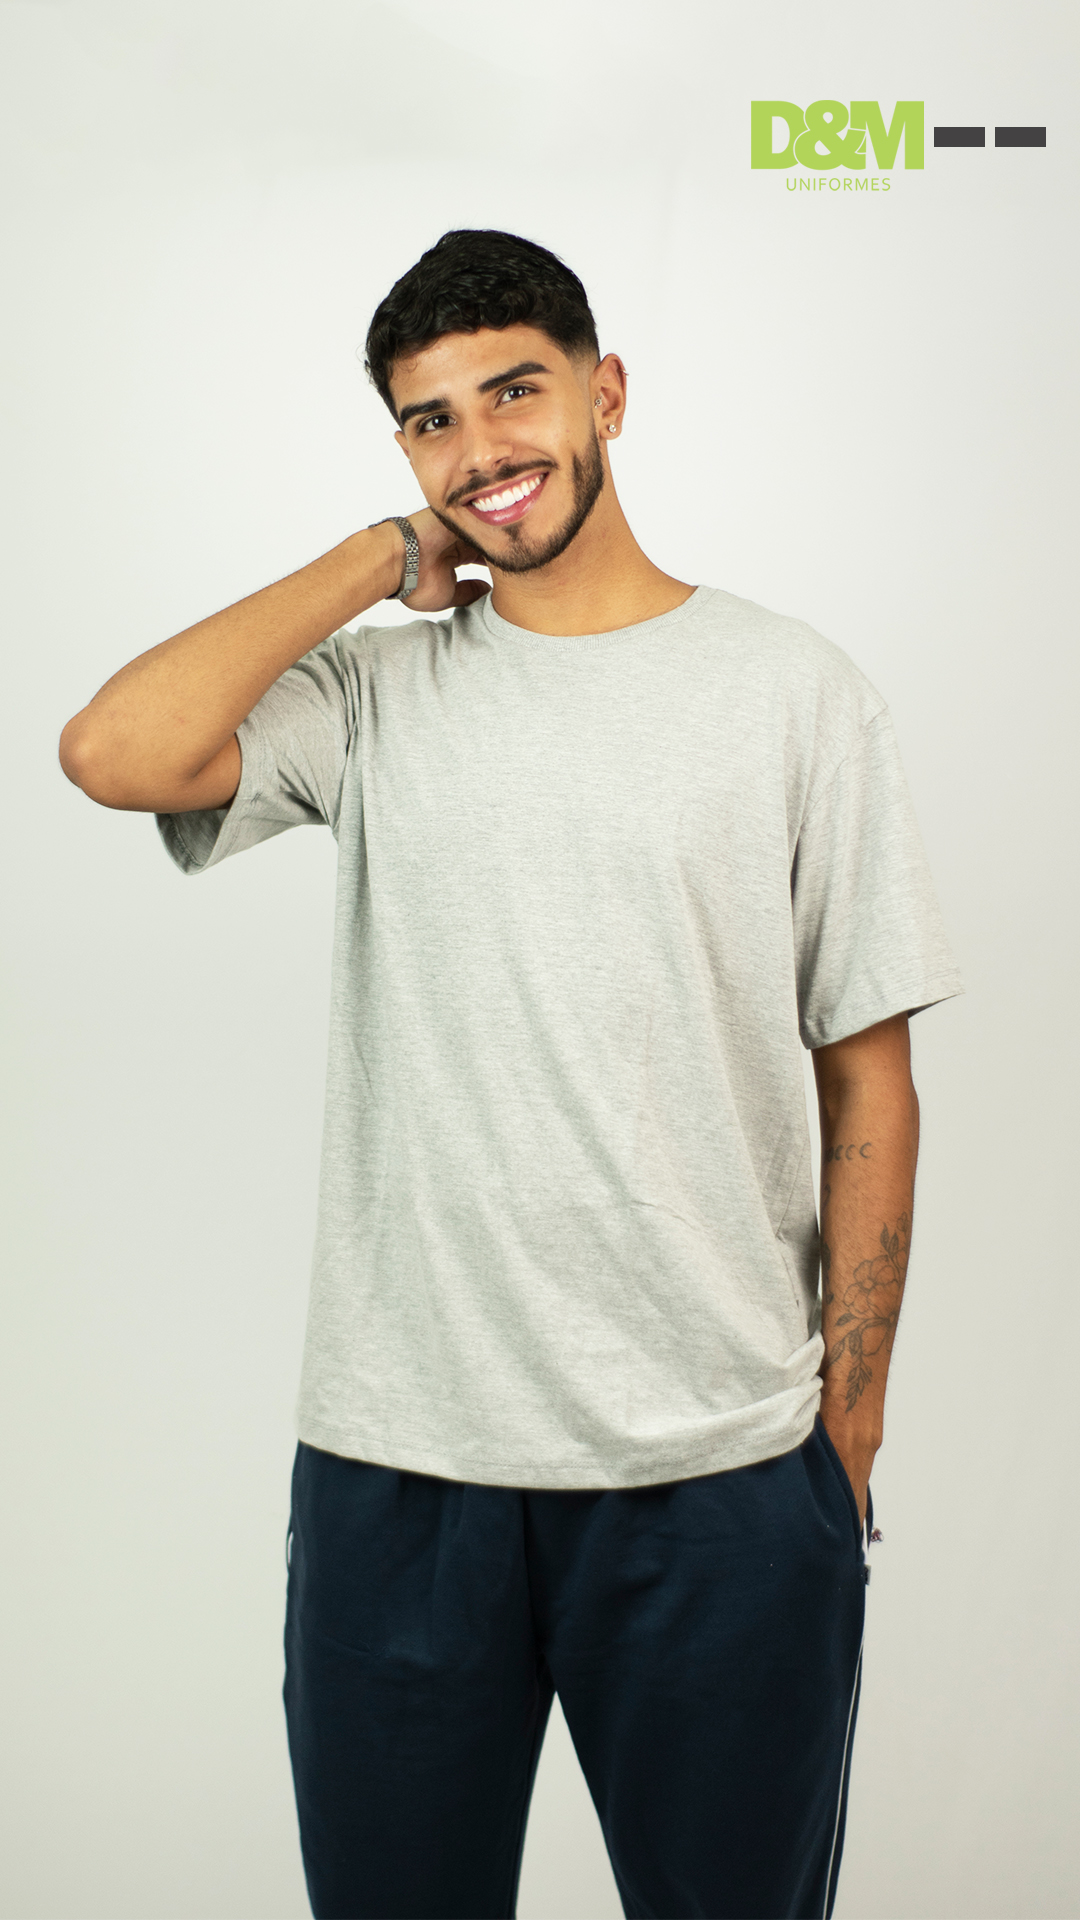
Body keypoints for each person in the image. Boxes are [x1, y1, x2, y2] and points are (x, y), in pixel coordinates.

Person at [58, 228, 963, 1920]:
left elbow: (869, 1082)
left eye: (515, 392)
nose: (480, 448)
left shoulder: (795, 695)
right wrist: (372, 560)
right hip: (402, 1473)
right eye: (431, 420)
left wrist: (843, 1436)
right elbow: (115, 751)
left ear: (606, 391)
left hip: (718, 1480)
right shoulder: (374, 696)